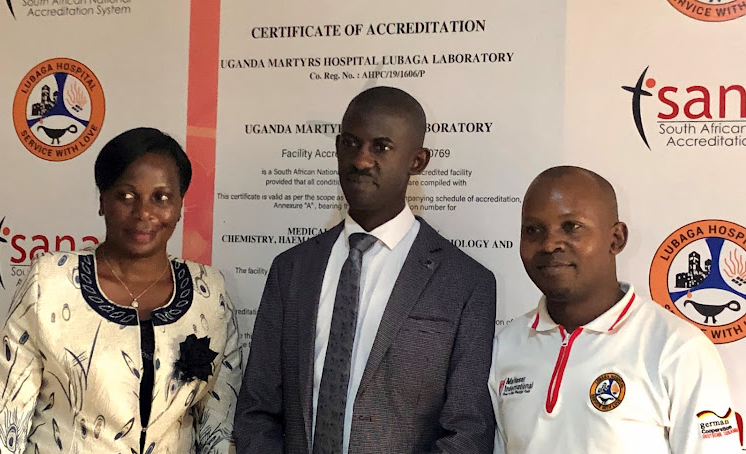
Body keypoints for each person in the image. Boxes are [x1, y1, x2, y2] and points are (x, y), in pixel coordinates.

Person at [235, 86, 497, 454]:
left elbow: (467, 432)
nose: (361, 160)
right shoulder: (291, 270)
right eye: (350, 143)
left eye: (381, 147)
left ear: (417, 161)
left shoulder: (466, 284)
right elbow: (256, 411)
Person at [0, 127, 242, 453]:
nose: (143, 213)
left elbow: (218, 426)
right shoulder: (51, 282)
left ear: (180, 205)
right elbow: (6, 412)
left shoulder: (209, 295)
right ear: (103, 201)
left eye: (161, 197)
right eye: (126, 195)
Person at [489, 166, 741, 453]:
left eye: (571, 227)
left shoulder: (676, 348)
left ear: (616, 239)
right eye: (533, 230)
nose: (549, 244)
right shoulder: (505, 346)